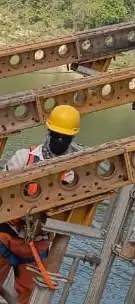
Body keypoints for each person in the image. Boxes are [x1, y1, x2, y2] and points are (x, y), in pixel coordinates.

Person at [0, 105, 82, 304]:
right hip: (5, 234)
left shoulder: (73, 173)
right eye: (56, 136)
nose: (59, 141)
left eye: (65, 138)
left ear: (71, 139)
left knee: (26, 296)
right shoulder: (23, 158)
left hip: (36, 244)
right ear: (49, 133)